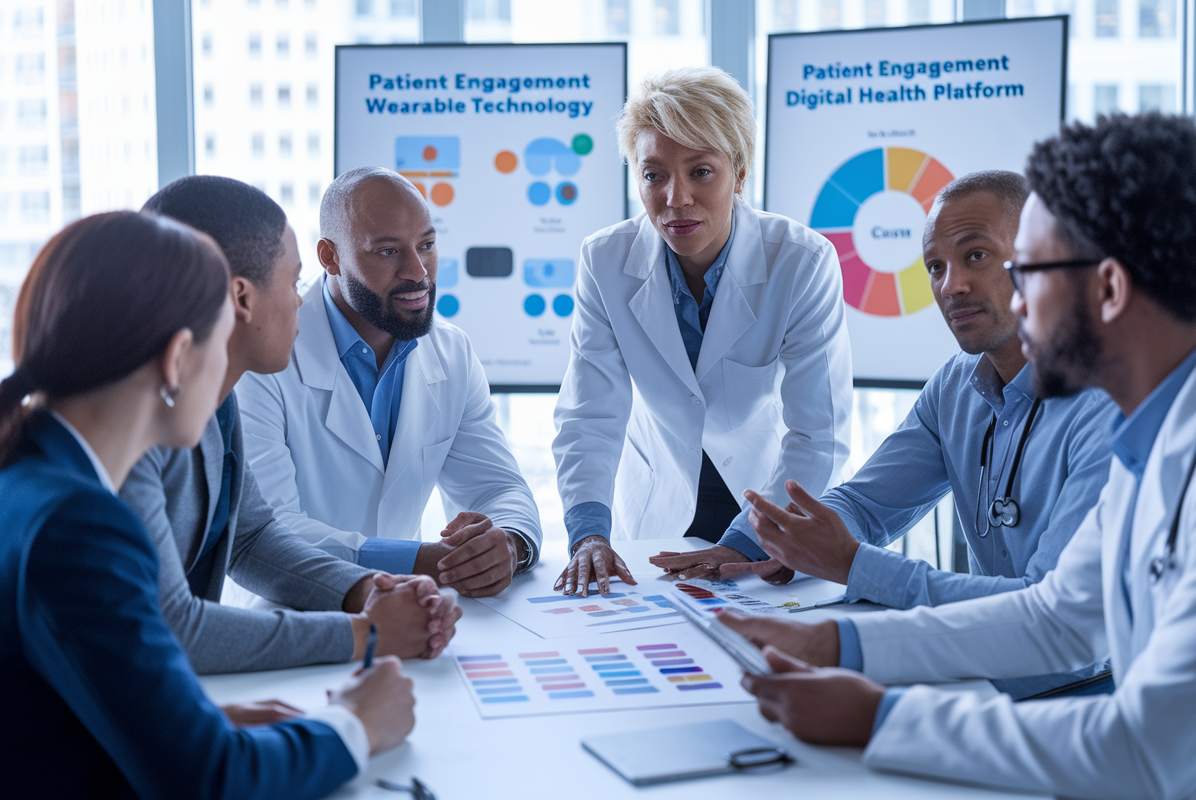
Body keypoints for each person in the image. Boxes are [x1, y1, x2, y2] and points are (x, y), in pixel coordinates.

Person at [724, 112, 1196, 799]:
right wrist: (838, 646)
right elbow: (1057, 618)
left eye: (1030, 273)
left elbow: (1148, 750)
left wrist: (883, 719)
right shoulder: (1165, 416)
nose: (1014, 304)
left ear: (1108, 288)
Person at [0, 211, 415, 798]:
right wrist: (353, 725)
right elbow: (210, 781)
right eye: (222, 342)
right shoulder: (80, 524)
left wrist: (194, 724)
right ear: (176, 360)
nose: (228, 373)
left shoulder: (30, 476)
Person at [662, 170, 1116, 699]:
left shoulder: (1110, 405)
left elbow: (1051, 616)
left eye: (976, 256)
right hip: (982, 679)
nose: (952, 286)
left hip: (1090, 693)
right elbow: (867, 504)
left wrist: (854, 564)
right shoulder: (955, 387)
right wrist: (762, 542)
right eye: (935, 267)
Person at [119, 175, 460, 675]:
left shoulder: (215, 406)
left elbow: (253, 537)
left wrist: (366, 590)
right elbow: (170, 629)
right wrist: (366, 634)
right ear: (241, 297)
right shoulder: (129, 435)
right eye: (293, 280)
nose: (302, 300)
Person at [552, 66, 853, 595]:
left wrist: (747, 541)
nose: (676, 198)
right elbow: (589, 415)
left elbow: (818, 433)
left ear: (739, 174)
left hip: (767, 506)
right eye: (653, 175)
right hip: (654, 515)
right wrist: (587, 534)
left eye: (701, 172)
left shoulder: (802, 263)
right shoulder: (604, 260)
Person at [237, 167, 541, 598]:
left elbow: (498, 487)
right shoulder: (264, 358)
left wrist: (509, 542)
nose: (417, 272)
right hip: (287, 613)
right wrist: (422, 561)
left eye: (428, 245)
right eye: (387, 252)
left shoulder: (451, 352)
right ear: (330, 257)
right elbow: (268, 532)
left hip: (411, 612)